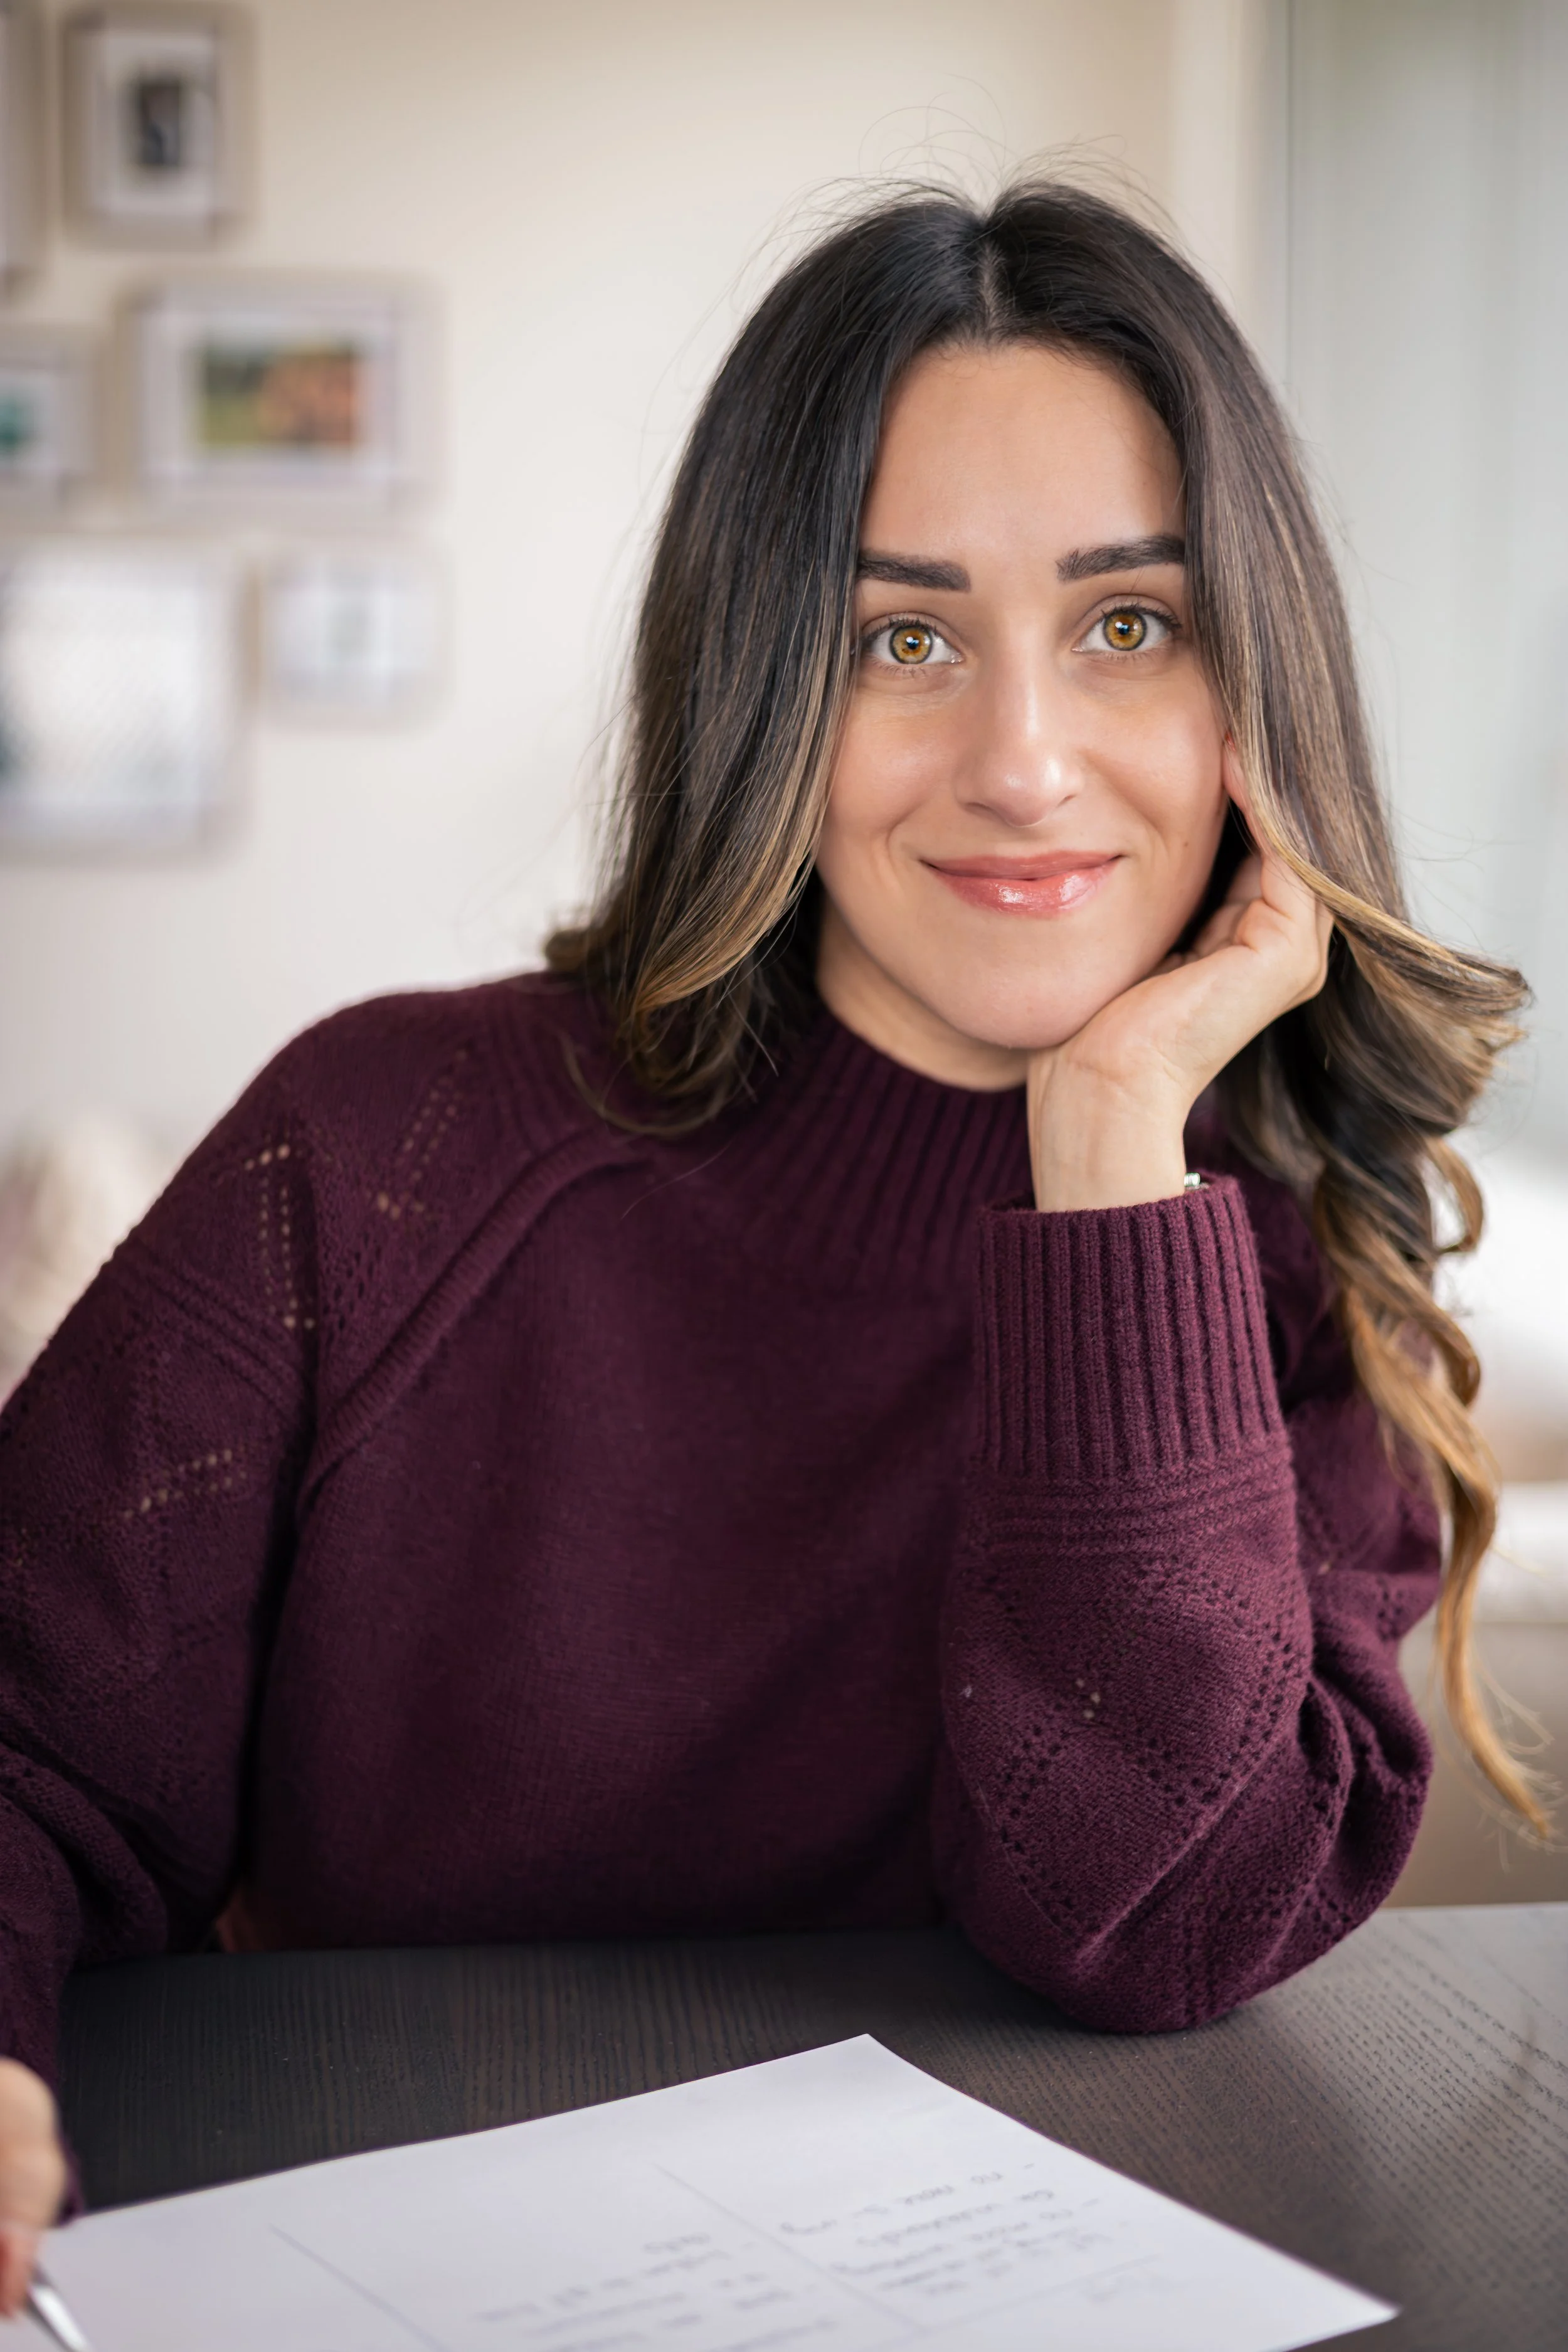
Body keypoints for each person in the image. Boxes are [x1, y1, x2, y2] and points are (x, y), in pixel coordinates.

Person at [0, 180, 1536, 2311]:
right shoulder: (380, 1152)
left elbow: (1152, 1922)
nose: (1020, 760)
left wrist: (1105, 1147)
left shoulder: (1269, 1279)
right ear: (760, 690)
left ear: (1251, 698)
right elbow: (25, 1739)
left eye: (1129, 624)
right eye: (900, 636)